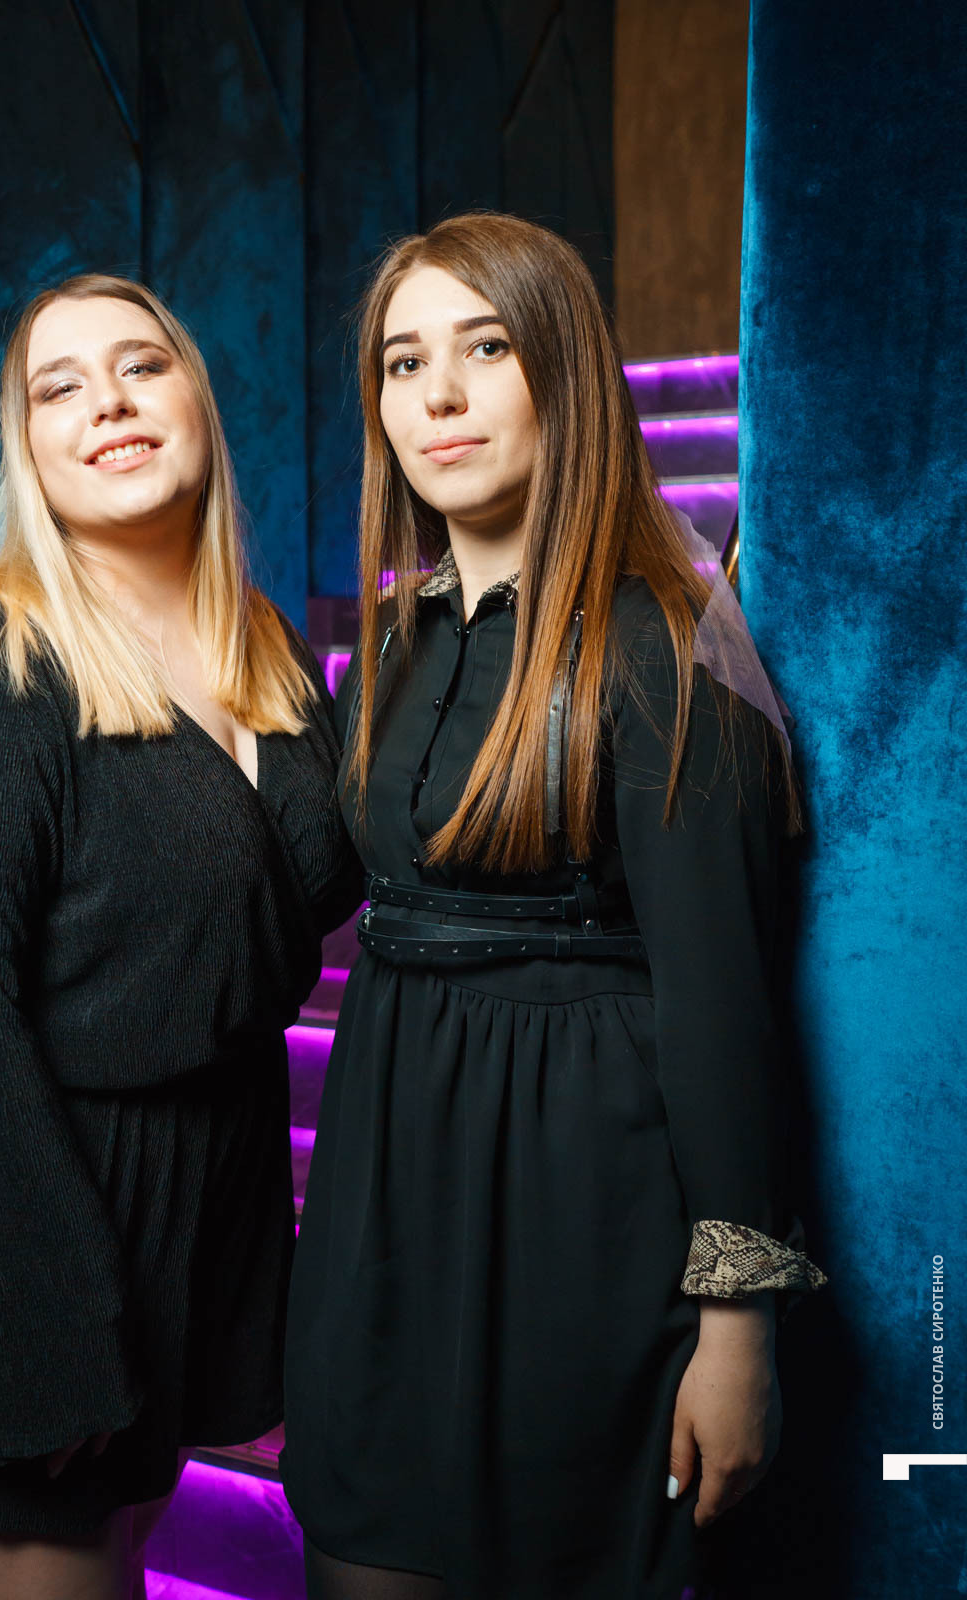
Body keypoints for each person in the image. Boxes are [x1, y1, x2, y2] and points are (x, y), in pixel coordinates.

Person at [0, 272, 361, 1600]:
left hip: (178, 1222)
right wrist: (44, 1336)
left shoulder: (267, 653)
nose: (108, 400)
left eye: (142, 366)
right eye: (62, 387)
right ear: (29, 452)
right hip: (3, 1231)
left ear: (199, 402)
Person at [281, 212, 827, 1600]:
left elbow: (720, 1007)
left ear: (565, 373)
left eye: (486, 349)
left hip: (582, 1202)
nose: (439, 396)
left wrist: (738, 1328)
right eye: (404, 362)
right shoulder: (392, 648)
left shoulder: (656, 645)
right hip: (385, 1191)